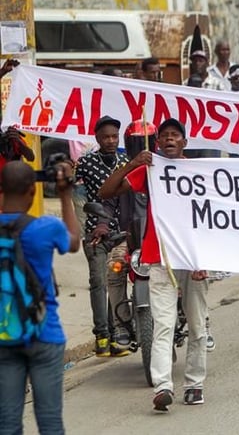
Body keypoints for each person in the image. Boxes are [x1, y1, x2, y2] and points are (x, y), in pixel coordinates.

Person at [98, 119, 209, 411]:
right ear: (157, 143)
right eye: (165, 136)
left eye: (175, 136)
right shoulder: (149, 171)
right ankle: (162, 386)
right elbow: (106, 192)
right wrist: (133, 162)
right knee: (163, 326)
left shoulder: (200, 172)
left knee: (197, 326)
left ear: (184, 142)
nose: (170, 140)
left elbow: (211, 220)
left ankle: (194, 383)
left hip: (193, 260)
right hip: (158, 258)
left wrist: (205, 259)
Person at [0, 161, 80, 434]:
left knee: (7, 422)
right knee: (49, 420)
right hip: (45, 333)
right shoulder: (46, 227)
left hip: (3, 335)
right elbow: (73, 241)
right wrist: (65, 194)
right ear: (32, 193)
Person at [75, 116, 130, 357]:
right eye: (106, 137)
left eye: (114, 137)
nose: (110, 141)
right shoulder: (85, 163)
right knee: (98, 283)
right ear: (97, 138)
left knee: (115, 282)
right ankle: (102, 336)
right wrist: (86, 230)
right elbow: (78, 199)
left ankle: (119, 334)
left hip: (122, 233)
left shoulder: (126, 162)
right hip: (95, 233)